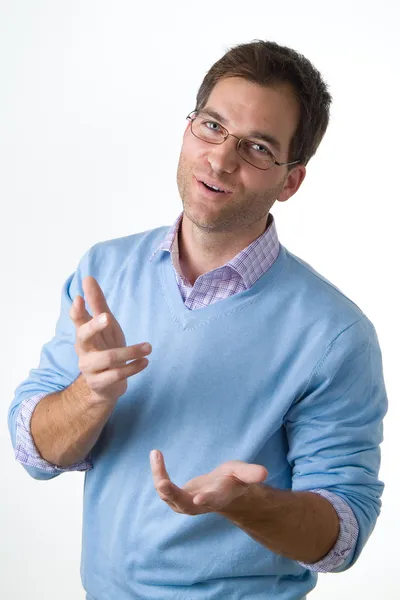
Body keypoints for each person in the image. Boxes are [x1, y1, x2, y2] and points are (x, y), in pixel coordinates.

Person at [8, 40, 387, 600]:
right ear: (189, 128)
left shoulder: (334, 334)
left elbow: (343, 533)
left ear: (291, 181)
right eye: (212, 126)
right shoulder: (104, 270)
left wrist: (251, 507)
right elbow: (34, 454)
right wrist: (90, 393)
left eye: (258, 147)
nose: (221, 159)